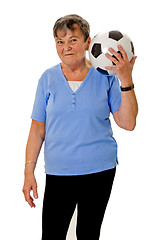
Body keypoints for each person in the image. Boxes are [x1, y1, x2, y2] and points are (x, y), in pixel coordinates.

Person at [22, 14, 138, 240]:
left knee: (88, 233)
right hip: (59, 170)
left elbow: (128, 123)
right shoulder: (47, 78)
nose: (66, 47)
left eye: (73, 40)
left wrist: (125, 79)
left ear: (88, 42)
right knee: (52, 234)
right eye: (60, 41)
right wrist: (29, 171)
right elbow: (37, 129)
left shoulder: (107, 76)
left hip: (99, 169)